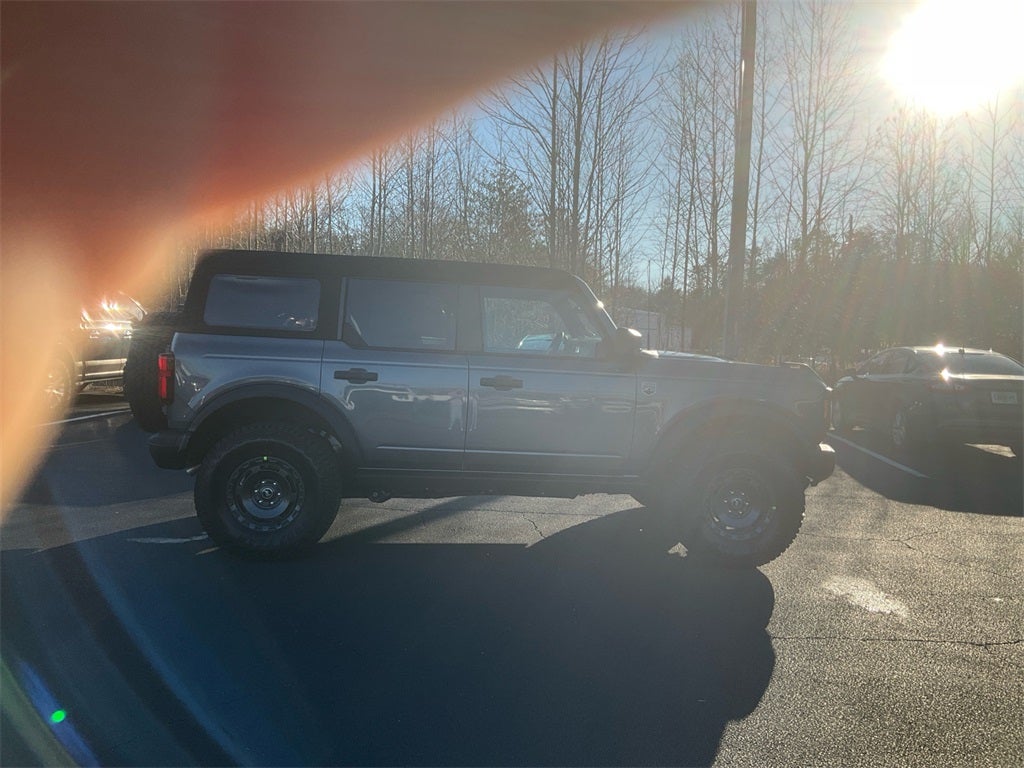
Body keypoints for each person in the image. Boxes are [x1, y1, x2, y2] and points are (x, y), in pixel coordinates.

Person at [1, 2, 695, 510]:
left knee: (278, 450)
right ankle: (268, 509)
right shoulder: (256, 348)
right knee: (276, 454)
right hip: (329, 372)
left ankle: (270, 505)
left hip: (323, 371)